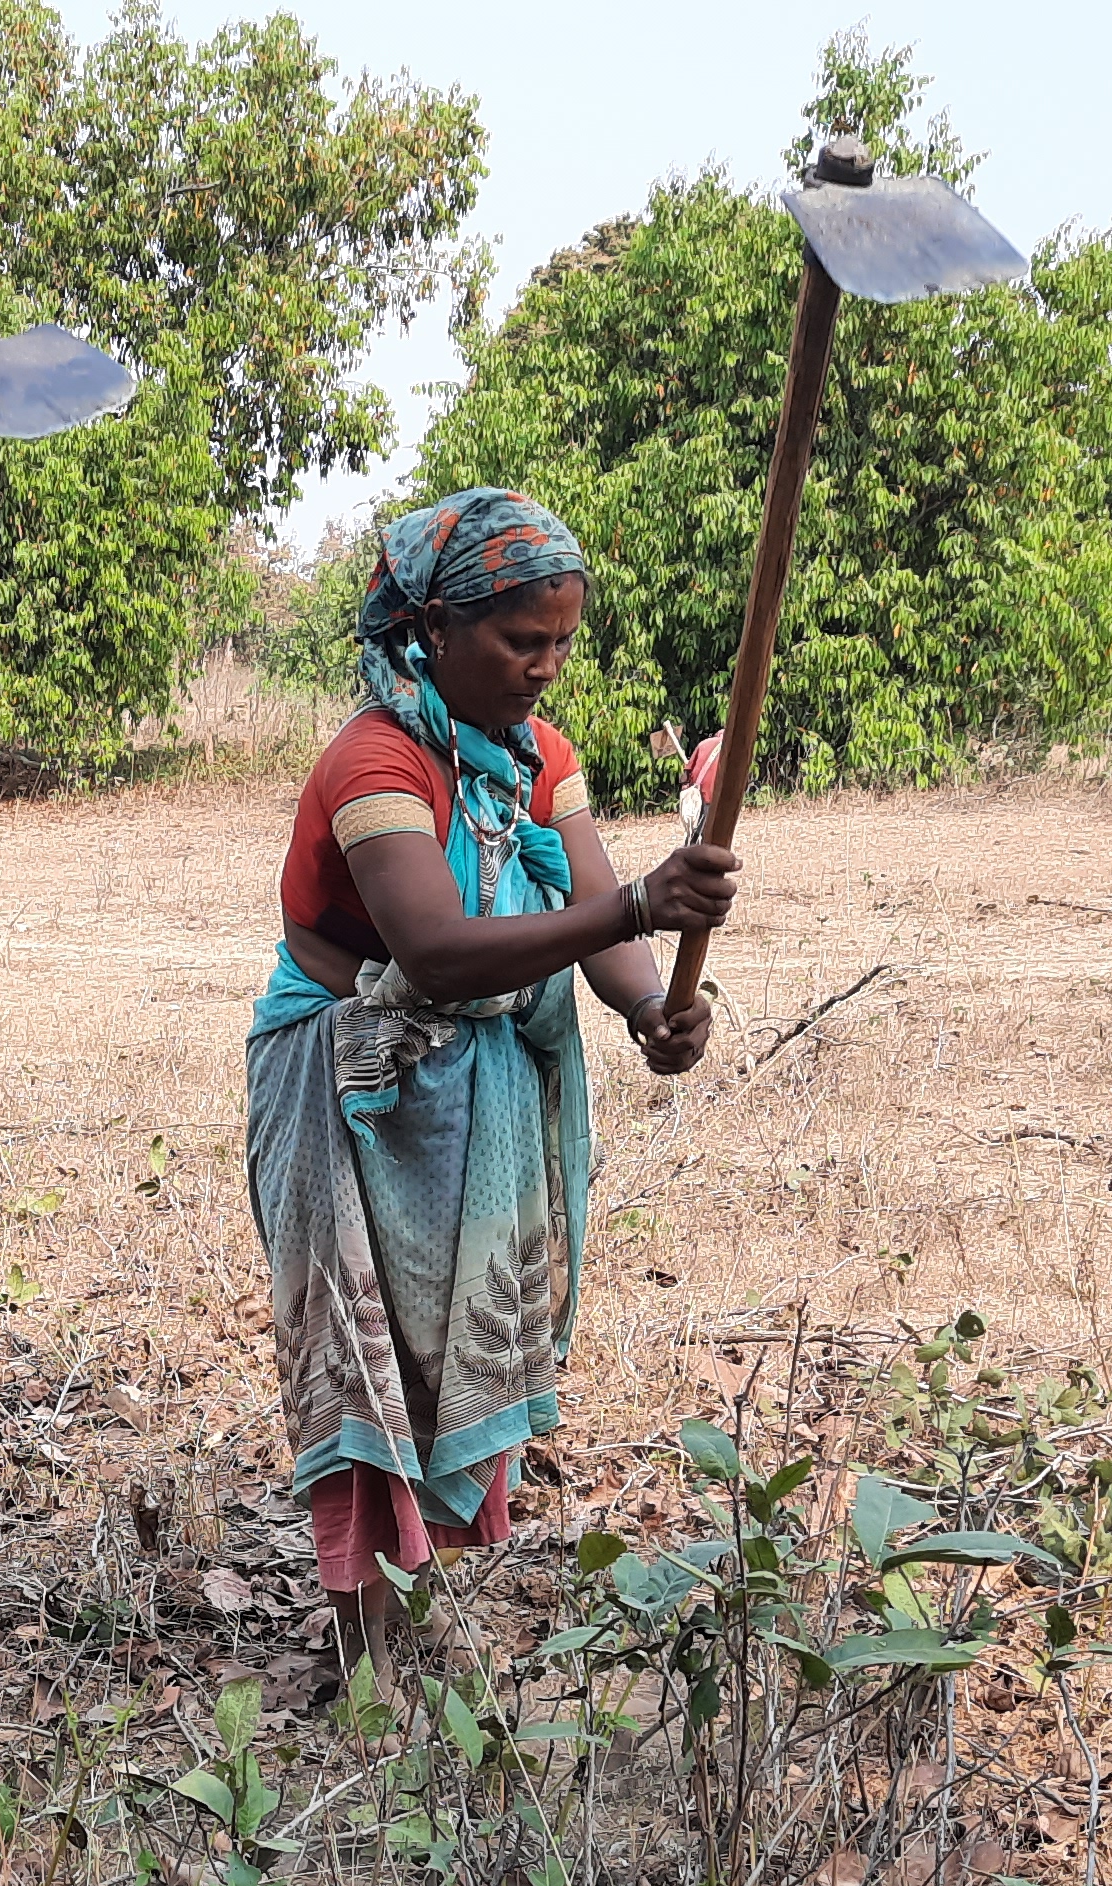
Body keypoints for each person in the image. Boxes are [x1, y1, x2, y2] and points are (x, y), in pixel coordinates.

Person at [254, 489, 740, 1691]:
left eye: (561, 642)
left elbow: (586, 903)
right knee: (366, 1357)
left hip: (485, 1078)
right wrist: (636, 911)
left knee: (451, 1351)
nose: (544, 667)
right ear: (436, 626)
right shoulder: (375, 760)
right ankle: (363, 1642)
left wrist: (647, 1006)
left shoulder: (540, 757)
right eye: (522, 640)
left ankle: (412, 1614)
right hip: (344, 1073)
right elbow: (429, 949)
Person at [648, 715, 725, 842]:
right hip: (715, 796)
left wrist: (686, 786)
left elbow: (686, 773)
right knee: (707, 832)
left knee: (695, 829)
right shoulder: (730, 752)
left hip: (699, 794)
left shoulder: (704, 744)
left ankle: (692, 848)